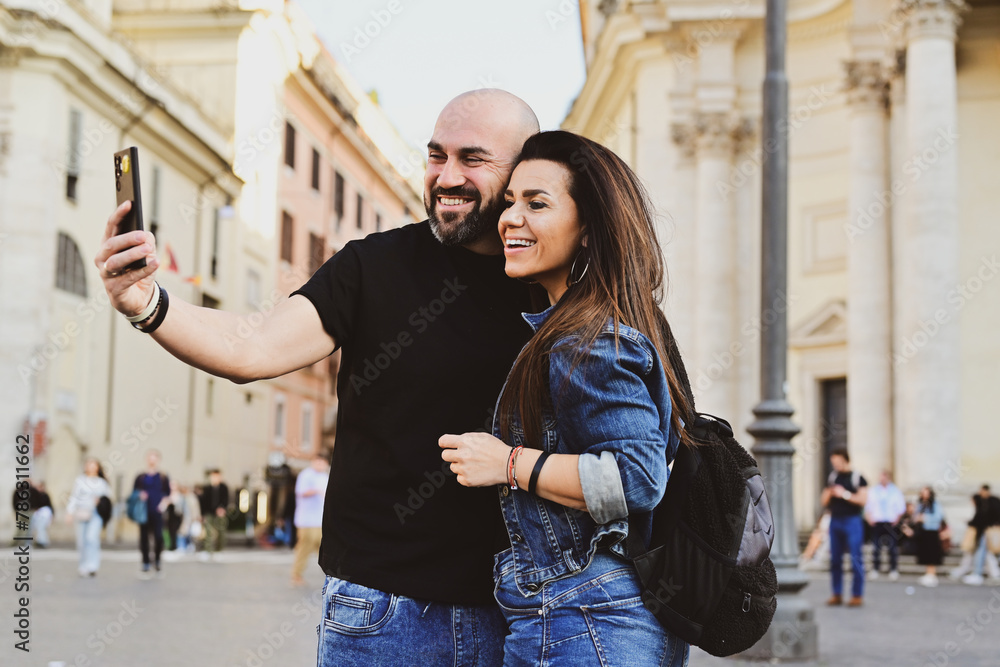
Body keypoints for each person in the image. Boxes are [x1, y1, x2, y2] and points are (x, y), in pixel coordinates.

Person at [94, 89, 540, 665]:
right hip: (388, 615)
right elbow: (251, 348)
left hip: (534, 615)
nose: (445, 176)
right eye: (435, 156)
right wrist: (146, 302)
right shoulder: (372, 265)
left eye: (472, 159)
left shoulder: (556, 280)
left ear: (522, 172)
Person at [439, 131, 690, 665]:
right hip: (590, 618)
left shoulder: (587, 339)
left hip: (585, 619)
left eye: (537, 203)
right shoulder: (589, 327)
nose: (509, 218)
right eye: (510, 202)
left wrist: (507, 463)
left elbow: (636, 478)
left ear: (587, 231)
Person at [820, 448, 868, 607]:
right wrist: (829, 493)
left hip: (852, 521)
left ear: (846, 460)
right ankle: (837, 593)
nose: (836, 466)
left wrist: (844, 494)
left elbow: (862, 500)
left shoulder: (858, 478)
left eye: (838, 462)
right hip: (835, 521)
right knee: (835, 560)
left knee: (855, 558)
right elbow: (824, 501)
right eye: (834, 463)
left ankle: (857, 595)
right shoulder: (833, 477)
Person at [65, 458, 113, 577]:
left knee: (92, 538)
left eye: (93, 464)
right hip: (82, 513)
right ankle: (83, 565)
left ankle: (93, 565)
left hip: (96, 514)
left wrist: (100, 501)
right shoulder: (80, 481)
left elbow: (108, 498)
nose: (91, 467)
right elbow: (74, 497)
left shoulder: (102, 483)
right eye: (89, 464)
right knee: (82, 541)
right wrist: (70, 512)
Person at [291, 453, 330, 586]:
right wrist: (316, 491)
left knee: (324, 548)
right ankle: (297, 574)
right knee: (304, 548)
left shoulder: (325, 476)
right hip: (306, 521)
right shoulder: (306, 475)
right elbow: (301, 492)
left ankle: (330, 574)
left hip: (320, 520)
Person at [134, 449, 171, 578]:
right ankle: (145, 562)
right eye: (150, 457)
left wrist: (164, 502)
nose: (152, 460)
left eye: (154, 457)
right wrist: (140, 495)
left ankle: (157, 560)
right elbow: (134, 492)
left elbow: (168, 494)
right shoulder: (140, 477)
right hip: (144, 512)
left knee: (158, 537)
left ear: (158, 460)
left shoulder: (163, 477)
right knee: (144, 538)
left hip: (157, 511)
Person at [865, 469, 906, 580]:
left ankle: (893, 569)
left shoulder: (895, 491)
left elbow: (901, 507)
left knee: (892, 547)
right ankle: (875, 569)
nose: (881, 479)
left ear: (888, 478)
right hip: (877, 521)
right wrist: (869, 518)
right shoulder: (873, 491)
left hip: (890, 522)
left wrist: (897, 519)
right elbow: (868, 506)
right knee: (876, 547)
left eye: (884, 477)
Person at [962, 484, 1000, 585]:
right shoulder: (984, 502)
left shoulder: (992, 502)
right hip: (985, 531)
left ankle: (978, 573)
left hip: (988, 531)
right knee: (988, 554)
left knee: (982, 552)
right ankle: (994, 574)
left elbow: (983, 517)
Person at [913, 486, 945, 587]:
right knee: (926, 554)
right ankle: (928, 573)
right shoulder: (921, 505)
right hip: (924, 531)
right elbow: (915, 516)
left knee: (932, 554)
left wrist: (925, 518)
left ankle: (932, 574)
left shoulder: (935, 504)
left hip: (932, 532)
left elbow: (939, 517)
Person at [198, 469, 229, 561]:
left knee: (221, 531)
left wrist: (222, 509)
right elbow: (203, 502)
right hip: (209, 513)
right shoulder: (207, 488)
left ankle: (219, 550)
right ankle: (208, 550)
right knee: (208, 532)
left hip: (220, 513)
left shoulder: (224, 488)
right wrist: (202, 514)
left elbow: (226, 500)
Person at [30, 481, 53, 548]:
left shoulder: (45, 495)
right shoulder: (36, 495)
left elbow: (49, 505)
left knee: (42, 527)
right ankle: (39, 540)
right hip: (38, 514)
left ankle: (43, 541)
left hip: (44, 513)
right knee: (37, 528)